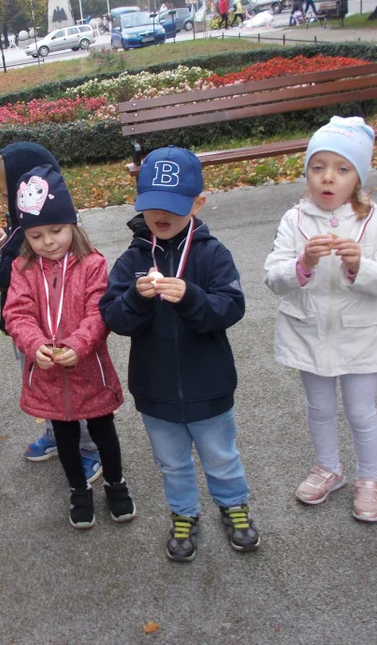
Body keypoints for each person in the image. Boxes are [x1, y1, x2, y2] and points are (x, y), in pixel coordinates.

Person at [100, 147, 259, 561]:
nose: (161, 214)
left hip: (210, 385)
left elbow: (232, 308)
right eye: (151, 205)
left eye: (172, 205)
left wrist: (191, 297)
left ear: (198, 203)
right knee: (171, 463)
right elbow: (113, 318)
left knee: (221, 457)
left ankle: (233, 505)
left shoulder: (211, 254)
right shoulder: (133, 259)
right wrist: (136, 298)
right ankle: (184, 512)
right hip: (156, 392)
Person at [264, 117, 377, 522]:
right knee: (319, 407)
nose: (328, 178)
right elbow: (273, 278)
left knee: (361, 411)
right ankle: (328, 468)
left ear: (358, 176)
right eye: (318, 166)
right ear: (306, 171)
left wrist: (362, 265)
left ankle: (370, 478)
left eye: (342, 169)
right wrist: (302, 263)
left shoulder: (376, 221)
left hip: (360, 335)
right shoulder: (295, 220)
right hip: (309, 332)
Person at [0, 143, 103, 482]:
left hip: (63, 331)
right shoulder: (23, 226)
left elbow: (5, 275)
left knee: (76, 390)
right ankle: (55, 431)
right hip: (29, 332)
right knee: (44, 387)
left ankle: (90, 447)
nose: (6, 202)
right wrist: (6, 240)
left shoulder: (43, 225)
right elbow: (19, 262)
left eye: (8, 194)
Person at [3, 165, 133, 530]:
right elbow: (17, 314)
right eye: (36, 234)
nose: (48, 242)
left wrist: (79, 343)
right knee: (65, 436)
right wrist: (35, 345)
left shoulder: (93, 264)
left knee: (104, 430)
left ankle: (115, 482)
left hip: (90, 369)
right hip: (48, 374)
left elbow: (99, 311)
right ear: (25, 236)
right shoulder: (22, 269)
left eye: (56, 230)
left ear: (73, 224)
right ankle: (78, 489)